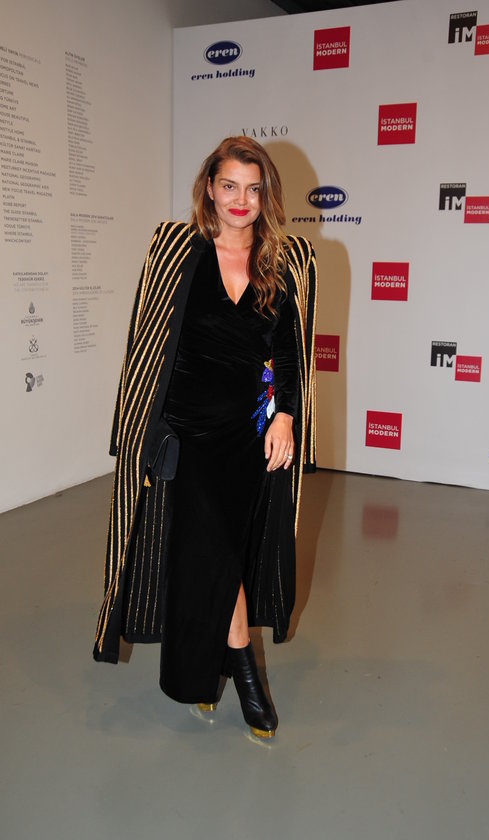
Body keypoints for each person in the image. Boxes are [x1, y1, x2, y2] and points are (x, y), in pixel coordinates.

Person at [93, 136, 317, 739]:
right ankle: (246, 676)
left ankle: (205, 671)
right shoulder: (175, 250)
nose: (241, 200)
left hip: (248, 435)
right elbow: (147, 343)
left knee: (223, 555)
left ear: (266, 195)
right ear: (209, 189)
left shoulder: (284, 260)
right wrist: (144, 427)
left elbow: (289, 354)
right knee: (215, 550)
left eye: (253, 188)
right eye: (229, 186)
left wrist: (286, 417)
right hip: (187, 434)